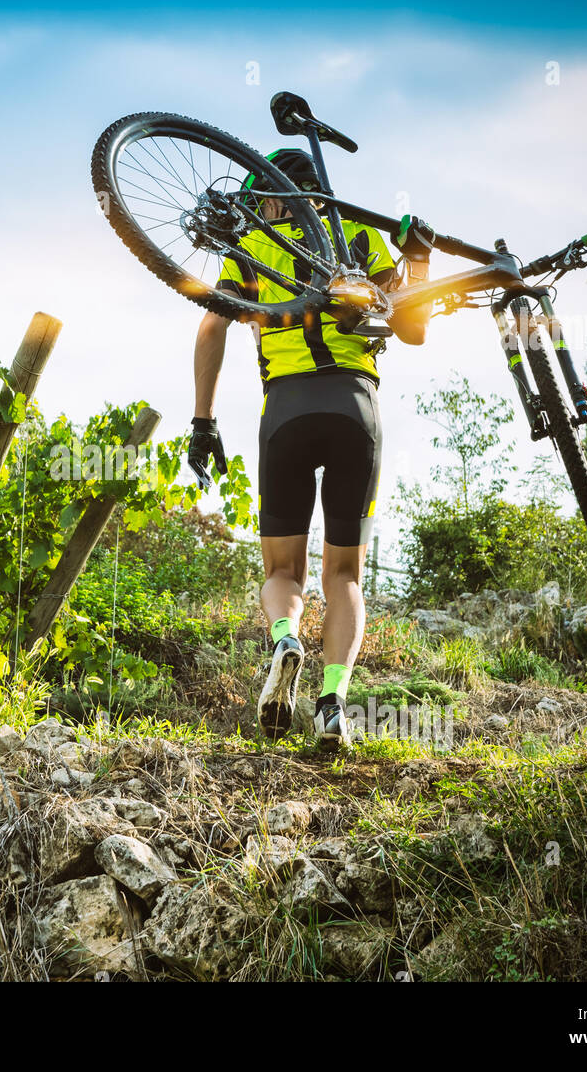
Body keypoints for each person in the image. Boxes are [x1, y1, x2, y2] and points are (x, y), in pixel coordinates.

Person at [187, 147, 434, 748]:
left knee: (282, 570)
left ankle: (285, 640)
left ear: (270, 195)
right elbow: (413, 329)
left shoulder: (251, 251)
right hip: (355, 407)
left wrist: (203, 421)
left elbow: (213, 324)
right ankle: (331, 702)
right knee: (344, 573)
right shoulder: (358, 236)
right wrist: (419, 261)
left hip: (286, 412)